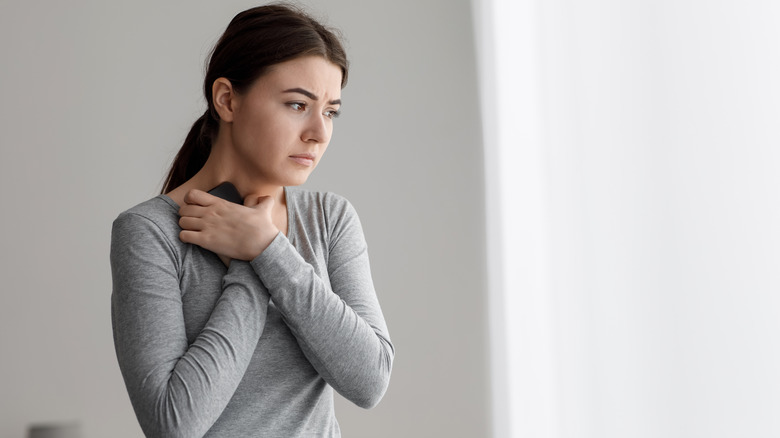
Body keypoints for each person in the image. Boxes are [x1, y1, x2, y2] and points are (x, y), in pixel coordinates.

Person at [109, 4, 394, 437]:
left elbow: (370, 380)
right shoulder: (149, 233)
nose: (318, 131)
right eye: (298, 104)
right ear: (226, 99)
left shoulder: (329, 219)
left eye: (331, 111)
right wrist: (249, 266)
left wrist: (268, 248)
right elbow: (173, 423)